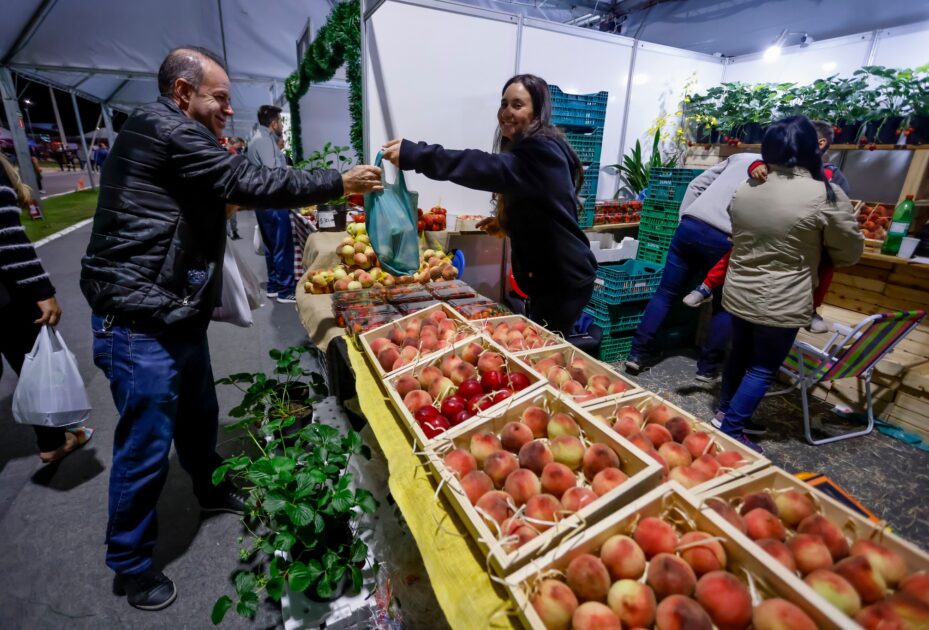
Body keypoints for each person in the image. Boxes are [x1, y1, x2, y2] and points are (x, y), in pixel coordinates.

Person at [80, 47, 381, 612]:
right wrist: (336, 181)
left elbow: (221, 192)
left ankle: (209, 486)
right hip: (139, 319)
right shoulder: (166, 128)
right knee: (144, 444)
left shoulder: (169, 132)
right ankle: (130, 564)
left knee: (198, 415)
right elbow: (243, 178)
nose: (226, 108)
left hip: (171, 310)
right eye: (218, 97)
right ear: (181, 93)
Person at [381, 74, 597, 336]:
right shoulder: (531, 150)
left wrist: (415, 154)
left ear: (537, 112)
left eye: (517, 105)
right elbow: (538, 202)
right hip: (552, 276)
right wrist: (506, 223)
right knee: (539, 340)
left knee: (544, 347)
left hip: (563, 279)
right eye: (504, 103)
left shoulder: (541, 149)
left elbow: (482, 166)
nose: (506, 112)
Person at [711, 115, 863, 452]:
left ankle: (726, 412)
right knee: (763, 366)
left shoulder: (747, 187)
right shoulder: (825, 193)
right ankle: (732, 430)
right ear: (813, 147)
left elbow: (736, 231)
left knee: (738, 355)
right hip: (783, 296)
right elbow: (848, 252)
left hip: (739, 289)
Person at [0, 86, 94, 463]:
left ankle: (53, 441)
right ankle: (52, 442)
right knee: (33, 360)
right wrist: (42, 289)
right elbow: (3, 238)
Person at [683, 120, 851, 334]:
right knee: (736, 252)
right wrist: (756, 168)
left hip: (799, 244)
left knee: (826, 264)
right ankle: (706, 287)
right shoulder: (777, 169)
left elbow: (839, 229)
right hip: (772, 243)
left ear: (820, 143)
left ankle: (811, 310)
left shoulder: (831, 178)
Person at [625, 151, 762, 381]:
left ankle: (637, 354)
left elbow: (696, 185)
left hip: (692, 226)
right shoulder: (780, 175)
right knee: (724, 305)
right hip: (726, 239)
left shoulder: (741, 157)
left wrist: (684, 217)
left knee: (665, 294)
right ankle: (706, 369)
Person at [247, 105, 296, 303]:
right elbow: (273, 172)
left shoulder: (257, 139)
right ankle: (285, 289)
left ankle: (275, 285)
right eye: (281, 123)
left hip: (262, 200)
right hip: (274, 200)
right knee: (281, 245)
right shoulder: (265, 140)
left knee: (271, 245)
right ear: (274, 123)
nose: (282, 127)